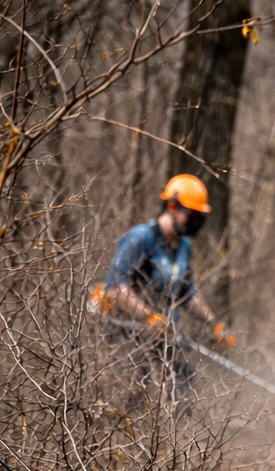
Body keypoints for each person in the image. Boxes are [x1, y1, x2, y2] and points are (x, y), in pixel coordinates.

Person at [98, 174, 233, 410]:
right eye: (191, 214)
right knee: (135, 388)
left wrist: (214, 324)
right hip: (128, 333)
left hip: (162, 335)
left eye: (199, 217)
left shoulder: (184, 246)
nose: (195, 221)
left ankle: (177, 444)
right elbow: (116, 287)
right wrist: (148, 316)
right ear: (172, 206)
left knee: (185, 382)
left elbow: (188, 293)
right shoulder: (141, 238)